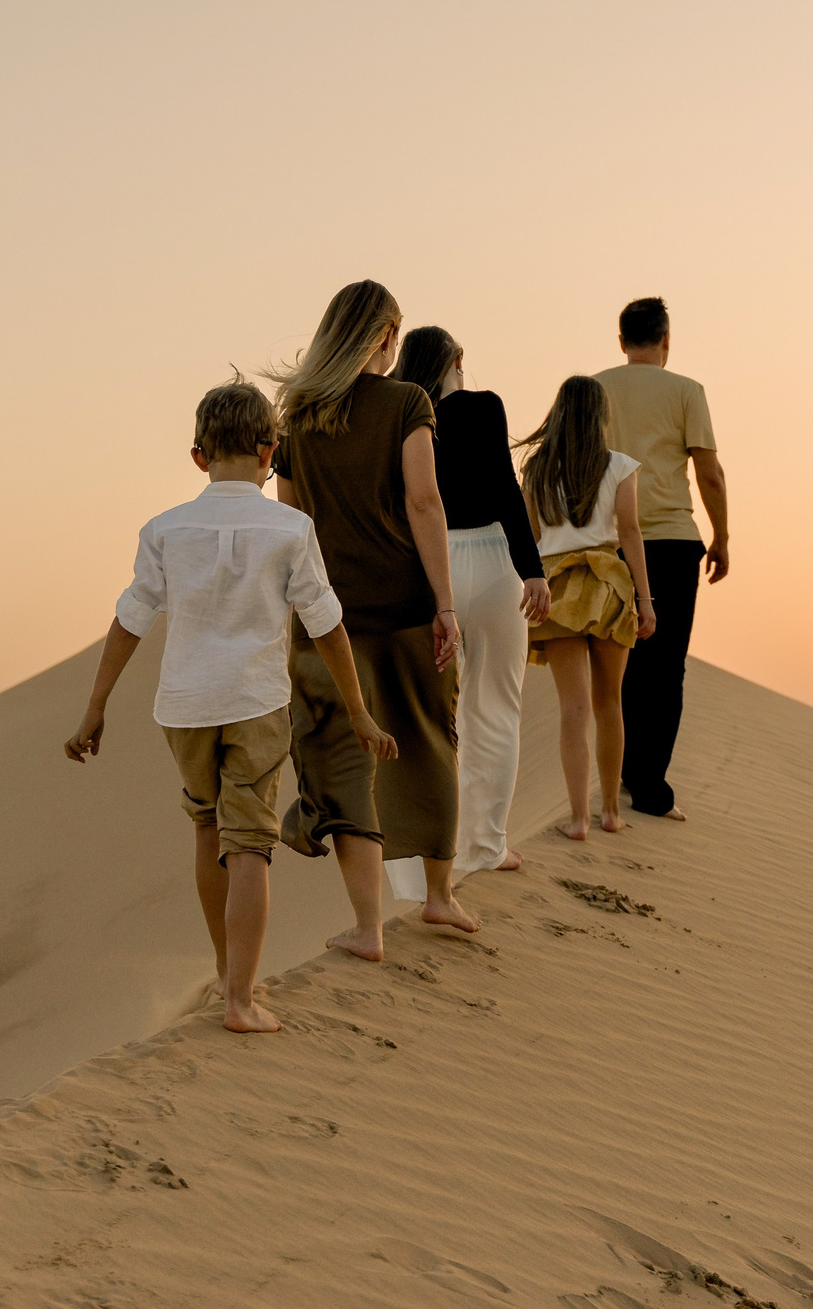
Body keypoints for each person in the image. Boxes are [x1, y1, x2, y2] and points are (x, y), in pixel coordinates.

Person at [61, 378, 393, 1034]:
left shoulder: (164, 529)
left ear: (197, 456)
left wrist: (95, 705)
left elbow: (129, 620)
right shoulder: (291, 528)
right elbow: (327, 625)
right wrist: (357, 709)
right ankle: (242, 997)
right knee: (250, 846)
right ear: (271, 450)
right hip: (256, 702)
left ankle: (224, 972)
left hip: (183, 706)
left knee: (208, 830)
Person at [268, 281, 482, 955]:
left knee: (339, 760)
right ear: (384, 337)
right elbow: (425, 502)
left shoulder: (298, 416)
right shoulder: (407, 402)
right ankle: (440, 898)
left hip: (327, 615)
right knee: (426, 741)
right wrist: (446, 604)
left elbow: (293, 526)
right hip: (407, 606)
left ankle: (367, 925)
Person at [381, 326, 549, 901]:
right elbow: (507, 489)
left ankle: (409, 875)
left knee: (418, 715)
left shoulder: (400, 413)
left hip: (428, 564)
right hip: (495, 560)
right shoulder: (484, 406)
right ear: (458, 361)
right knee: (495, 706)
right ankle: (485, 847)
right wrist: (533, 569)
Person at [596, 296, 726, 821]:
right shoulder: (686, 391)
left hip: (607, 543)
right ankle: (648, 788)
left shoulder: (595, 389)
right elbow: (709, 472)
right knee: (666, 666)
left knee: (617, 663)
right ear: (666, 341)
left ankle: (618, 773)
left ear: (622, 341)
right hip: (672, 541)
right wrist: (722, 536)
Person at [520, 374, 657, 841]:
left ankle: (578, 818)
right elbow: (632, 531)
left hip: (556, 589)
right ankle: (611, 812)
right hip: (607, 586)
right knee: (609, 703)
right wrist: (645, 599)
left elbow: (531, 538)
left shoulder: (536, 468)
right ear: (600, 415)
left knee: (572, 710)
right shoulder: (620, 465)